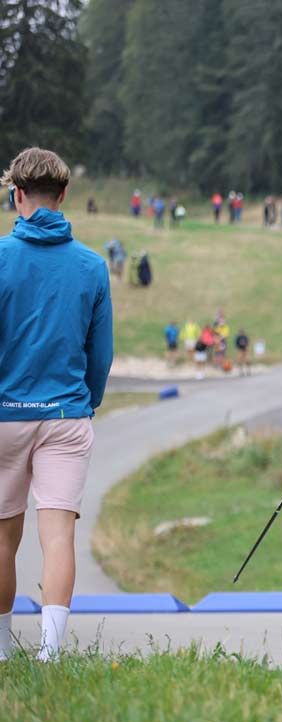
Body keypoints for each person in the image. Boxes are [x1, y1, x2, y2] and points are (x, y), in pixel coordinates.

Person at [0, 147, 113, 662]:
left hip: (5, 415)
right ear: (64, 196)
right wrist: (85, 404)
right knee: (58, 534)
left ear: (16, 194)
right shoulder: (92, 267)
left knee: (4, 537)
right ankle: (50, 652)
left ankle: (2, 648)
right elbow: (101, 354)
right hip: (65, 415)